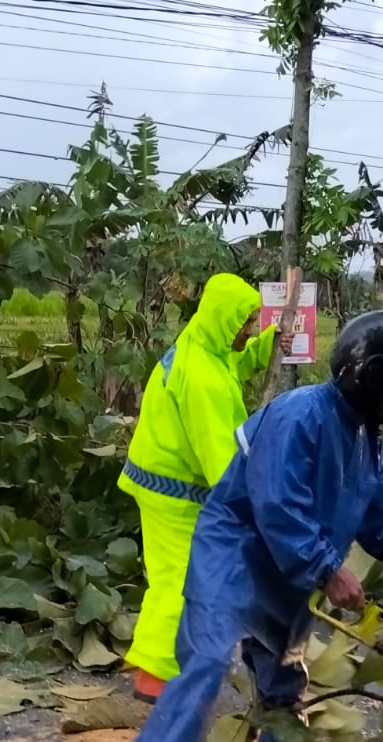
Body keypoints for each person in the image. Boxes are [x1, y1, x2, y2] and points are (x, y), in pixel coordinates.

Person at [104, 310, 383, 742]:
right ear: (367, 379)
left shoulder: (367, 445)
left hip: (287, 576)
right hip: (234, 555)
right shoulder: (299, 415)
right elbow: (276, 505)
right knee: (204, 666)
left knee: (283, 689)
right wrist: (328, 569)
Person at [118, 273, 288, 703]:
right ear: (224, 320)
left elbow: (233, 364)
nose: (248, 329)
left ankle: (173, 665)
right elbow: (221, 462)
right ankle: (154, 678)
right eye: (245, 323)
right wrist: (259, 504)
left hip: (167, 480)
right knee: (177, 580)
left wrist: (265, 346)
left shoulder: (204, 345)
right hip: (171, 491)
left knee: (182, 575)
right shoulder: (202, 381)